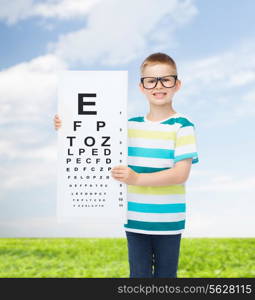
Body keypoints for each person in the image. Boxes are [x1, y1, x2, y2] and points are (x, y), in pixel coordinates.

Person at [54, 52, 199, 278]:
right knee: (138, 277)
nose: (158, 86)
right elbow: (92, 131)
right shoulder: (127, 126)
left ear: (177, 84)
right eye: (151, 81)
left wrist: (138, 179)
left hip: (168, 221)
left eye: (166, 80)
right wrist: (67, 124)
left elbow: (180, 174)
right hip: (134, 220)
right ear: (142, 87)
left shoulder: (183, 126)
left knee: (167, 277)